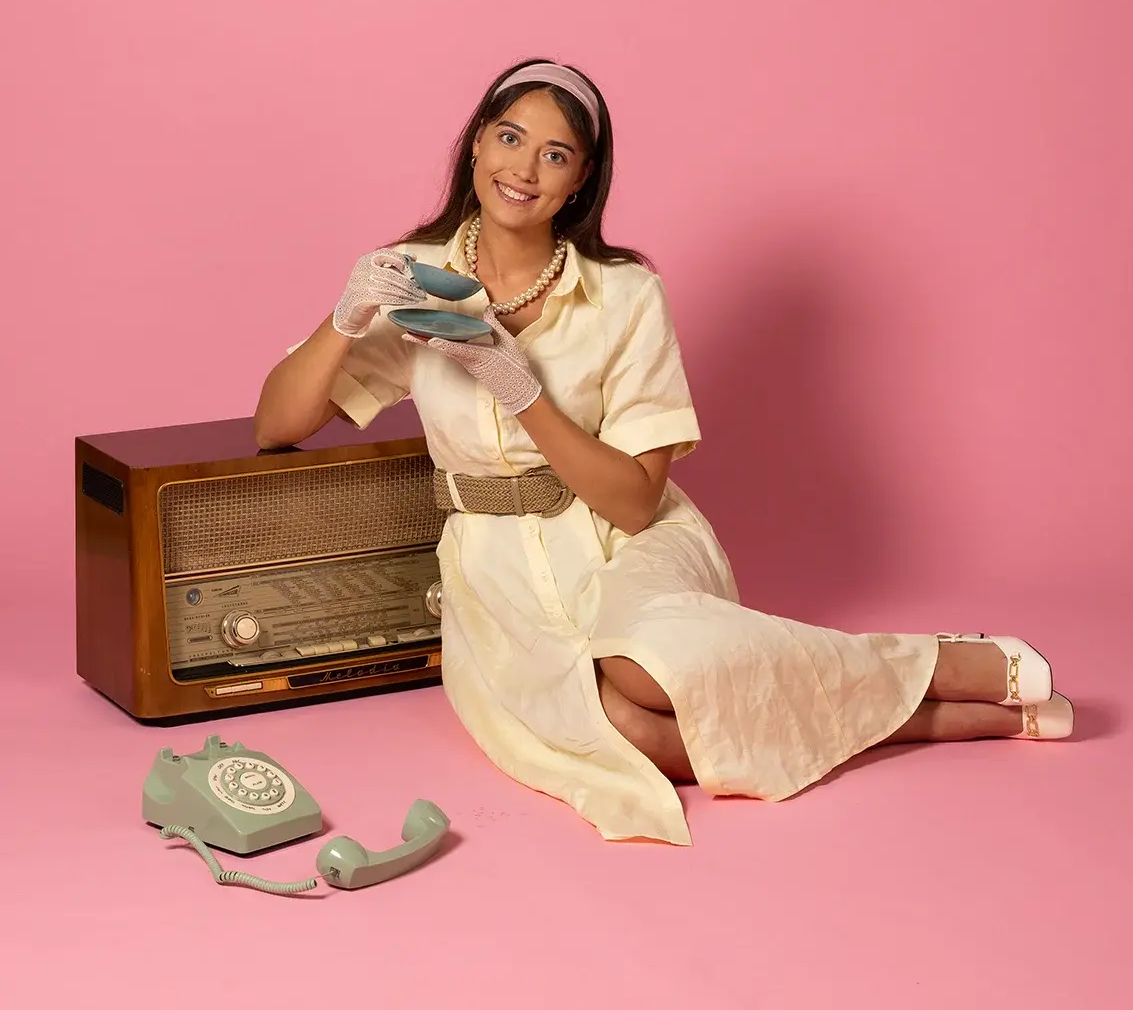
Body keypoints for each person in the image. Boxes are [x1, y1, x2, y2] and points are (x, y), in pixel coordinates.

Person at [253, 58, 1074, 845]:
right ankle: (943, 711)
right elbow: (276, 425)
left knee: (642, 667)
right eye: (508, 137)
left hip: (628, 541)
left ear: (580, 180)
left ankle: (937, 664)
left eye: (555, 153)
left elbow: (635, 500)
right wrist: (348, 311)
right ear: (474, 142)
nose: (524, 168)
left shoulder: (625, 295)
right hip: (491, 570)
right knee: (618, 731)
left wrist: (518, 385)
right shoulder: (417, 280)